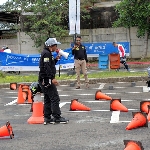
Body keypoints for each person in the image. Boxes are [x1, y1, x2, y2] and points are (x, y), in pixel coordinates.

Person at [38, 37, 69, 125]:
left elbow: (48, 64)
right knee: (55, 98)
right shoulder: (47, 54)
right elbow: (47, 67)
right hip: (46, 79)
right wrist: (52, 78)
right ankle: (57, 117)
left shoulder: (47, 53)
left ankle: (47, 117)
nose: (56, 47)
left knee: (48, 98)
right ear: (51, 46)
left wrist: (55, 59)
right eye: (56, 45)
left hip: (44, 79)